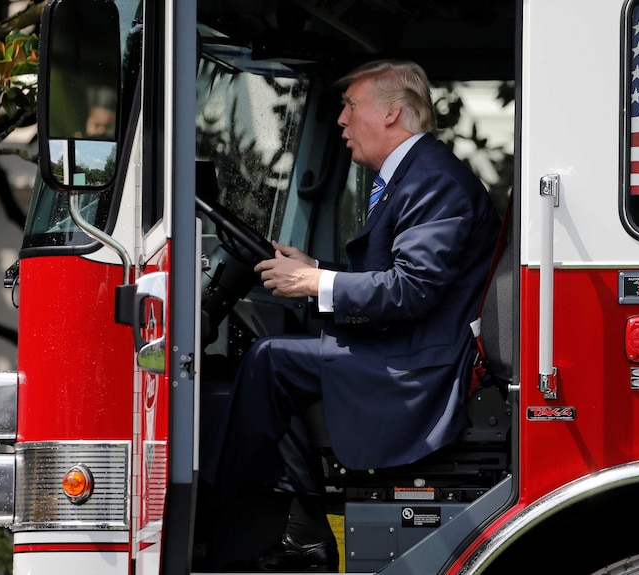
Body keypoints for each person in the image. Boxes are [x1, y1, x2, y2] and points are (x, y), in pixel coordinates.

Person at [202, 60, 501, 572]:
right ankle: (300, 521)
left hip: (421, 365)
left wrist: (317, 284)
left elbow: (413, 288)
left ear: (391, 112)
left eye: (350, 106)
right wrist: (316, 269)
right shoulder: (414, 173)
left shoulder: (431, 178)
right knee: (278, 363)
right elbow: (399, 274)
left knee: (268, 361)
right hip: (411, 345)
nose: (341, 120)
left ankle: (238, 525)